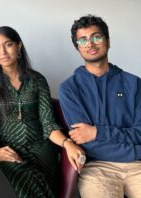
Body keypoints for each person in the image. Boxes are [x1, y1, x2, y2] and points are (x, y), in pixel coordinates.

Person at [0, 26, 84, 198]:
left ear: (19, 46)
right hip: (7, 148)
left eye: (8, 44)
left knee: (37, 179)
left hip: (41, 148)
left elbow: (49, 125)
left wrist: (67, 143)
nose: (2, 51)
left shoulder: (37, 80)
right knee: (19, 182)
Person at [59, 14, 141, 198]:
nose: (90, 43)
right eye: (83, 40)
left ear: (108, 41)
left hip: (138, 164)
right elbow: (86, 142)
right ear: (77, 47)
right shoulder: (70, 89)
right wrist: (134, 147)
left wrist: (97, 132)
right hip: (97, 167)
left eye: (96, 37)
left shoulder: (134, 83)